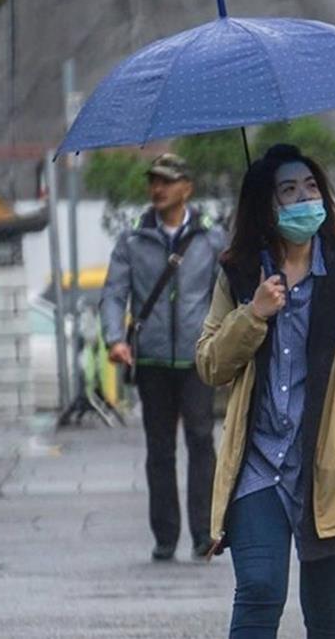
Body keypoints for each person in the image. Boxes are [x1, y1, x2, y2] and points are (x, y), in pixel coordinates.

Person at [195, 144, 335, 637]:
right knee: (259, 592)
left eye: (311, 187)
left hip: (332, 463)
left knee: (329, 612)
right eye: (288, 191)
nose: (303, 198)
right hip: (258, 466)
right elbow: (210, 364)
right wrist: (253, 315)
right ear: (266, 206)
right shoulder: (241, 273)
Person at [101, 152, 225, 562]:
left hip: (197, 357)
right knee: (159, 448)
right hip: (151, 357)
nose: (158, 188)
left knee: (202, 440)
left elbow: (225, 293)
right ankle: (165, 535)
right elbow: (114, 293)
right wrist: (114, 337)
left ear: (186, 188)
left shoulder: (211, 238)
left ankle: (204, 533)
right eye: (154, 181)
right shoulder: (133, 239)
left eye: (167, 181)